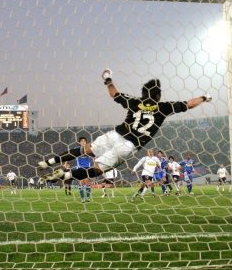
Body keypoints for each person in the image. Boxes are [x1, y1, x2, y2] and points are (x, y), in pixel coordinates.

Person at [38, 69, 212, 182]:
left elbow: (114, 94)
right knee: (97, 170)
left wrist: (108, 79)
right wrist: (204, 98)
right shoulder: (164, 107)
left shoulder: (134, 102)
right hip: (129, 145)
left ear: (143, 94)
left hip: (116, 134)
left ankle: (49, 162)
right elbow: (189, 104)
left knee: (85, 150)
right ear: (158, 96)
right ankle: (66, 174)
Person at [73, 137, 93, 202]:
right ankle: (82, 198)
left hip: (87, 167)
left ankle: (88, 197)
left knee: (87, 182)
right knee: (81, 182)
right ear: (79, 142)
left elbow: (94, 155)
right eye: (82, 141)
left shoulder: (88, 149)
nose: (83, 142)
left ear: (86, 142)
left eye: (84, 141)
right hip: (79, 168)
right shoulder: (76, 149)